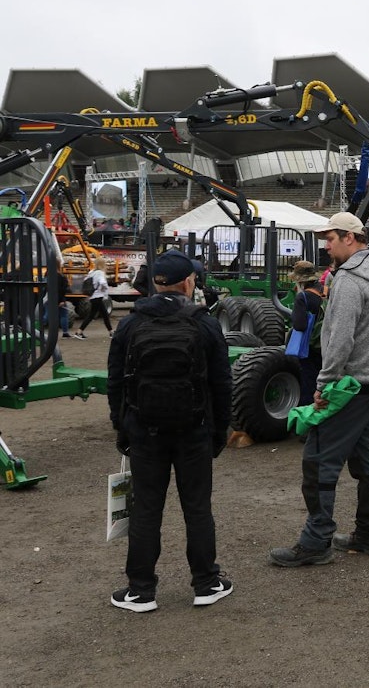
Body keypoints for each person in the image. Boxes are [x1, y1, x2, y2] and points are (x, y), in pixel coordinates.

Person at [107, 249, 233, 612]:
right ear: (188, 282)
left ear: (155, 283)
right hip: (194, 430)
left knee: (146, 508)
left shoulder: (131, 324)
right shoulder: (204, 323)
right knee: (197, 508)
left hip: (145, 430)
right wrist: (219, 432)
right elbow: (222, 383)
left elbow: (116, 381)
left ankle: (140, 590)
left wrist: (122, 427)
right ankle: (206, 583)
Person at [270, 213, 369, 567]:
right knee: (367, 459)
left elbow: (340, 340)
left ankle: (316, 542)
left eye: (330, 239)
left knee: (318, 459)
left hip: (351, 384)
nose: (326, 247)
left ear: (349, 238)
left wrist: (324, 385)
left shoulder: (349, 280)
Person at [288, 260, 326, 407]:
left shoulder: (303, 297)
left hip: (309, 348)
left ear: (300, 280)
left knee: (308, 383)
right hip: (325, 344)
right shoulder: (325, 292)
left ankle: (308, 413)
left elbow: (300, 325)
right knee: (322, 381)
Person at [74, 257, 113, 339]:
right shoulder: (100, 273)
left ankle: (111, 331)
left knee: (104, 314)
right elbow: (102, 282)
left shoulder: (91, 272)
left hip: (92, 295)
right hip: (98, 296)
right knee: (92, 315)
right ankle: (79, 331)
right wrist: (105, 289)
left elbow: (86, 280)